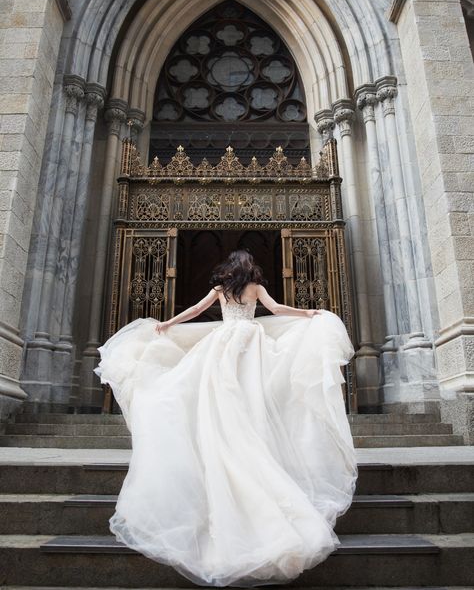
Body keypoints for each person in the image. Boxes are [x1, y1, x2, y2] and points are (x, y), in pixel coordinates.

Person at [95, 250, 357, 587]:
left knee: (219, 388)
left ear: (230, 268)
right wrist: (307, 312)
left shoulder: (221, 288)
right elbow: (277, 310)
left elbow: (196, 310)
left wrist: (168, 323)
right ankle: (245, 430)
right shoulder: (255, 288)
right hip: (250, 338)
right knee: (250, 389)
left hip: (224, 340)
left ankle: (225, 429)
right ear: (250, 268)